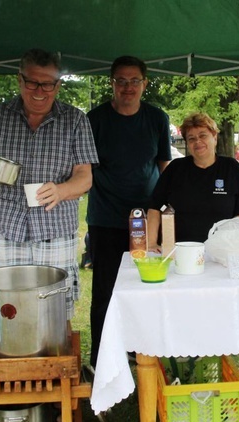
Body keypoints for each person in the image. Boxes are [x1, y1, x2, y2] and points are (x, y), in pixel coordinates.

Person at [0, 48, 96, 337]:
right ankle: (10, 374)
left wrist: (62, 190)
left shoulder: (75, 120)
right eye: (32, 82)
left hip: (54, 230)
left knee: (55, 310)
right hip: (5, 231)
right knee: (7, 310)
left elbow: (85, 177)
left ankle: (54, 371)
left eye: (48, 84)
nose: (40, 91)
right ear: (19, 79)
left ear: (58, 85)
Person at [86, 55, 171, 368]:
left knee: (145, 287)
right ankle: (102, 358)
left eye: (134, 80)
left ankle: (142, 351)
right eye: (121, 80)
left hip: (146, 222)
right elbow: (84, 170)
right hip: (106, 219)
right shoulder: (93, 120)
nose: (128, 87)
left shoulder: (157, 119)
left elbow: (165, 169)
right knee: (105, 292)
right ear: (112, 83)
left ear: (144, 84)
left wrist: (165, 215)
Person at [147, 112, 239, 246]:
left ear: (214, 137)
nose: (197, 142)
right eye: (191, 138)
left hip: (219, 250)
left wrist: (226, 242)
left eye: (203, 136)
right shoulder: (175, 168)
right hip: (178, 250)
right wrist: (151, 244)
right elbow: (155, 208)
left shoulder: (231, 168)